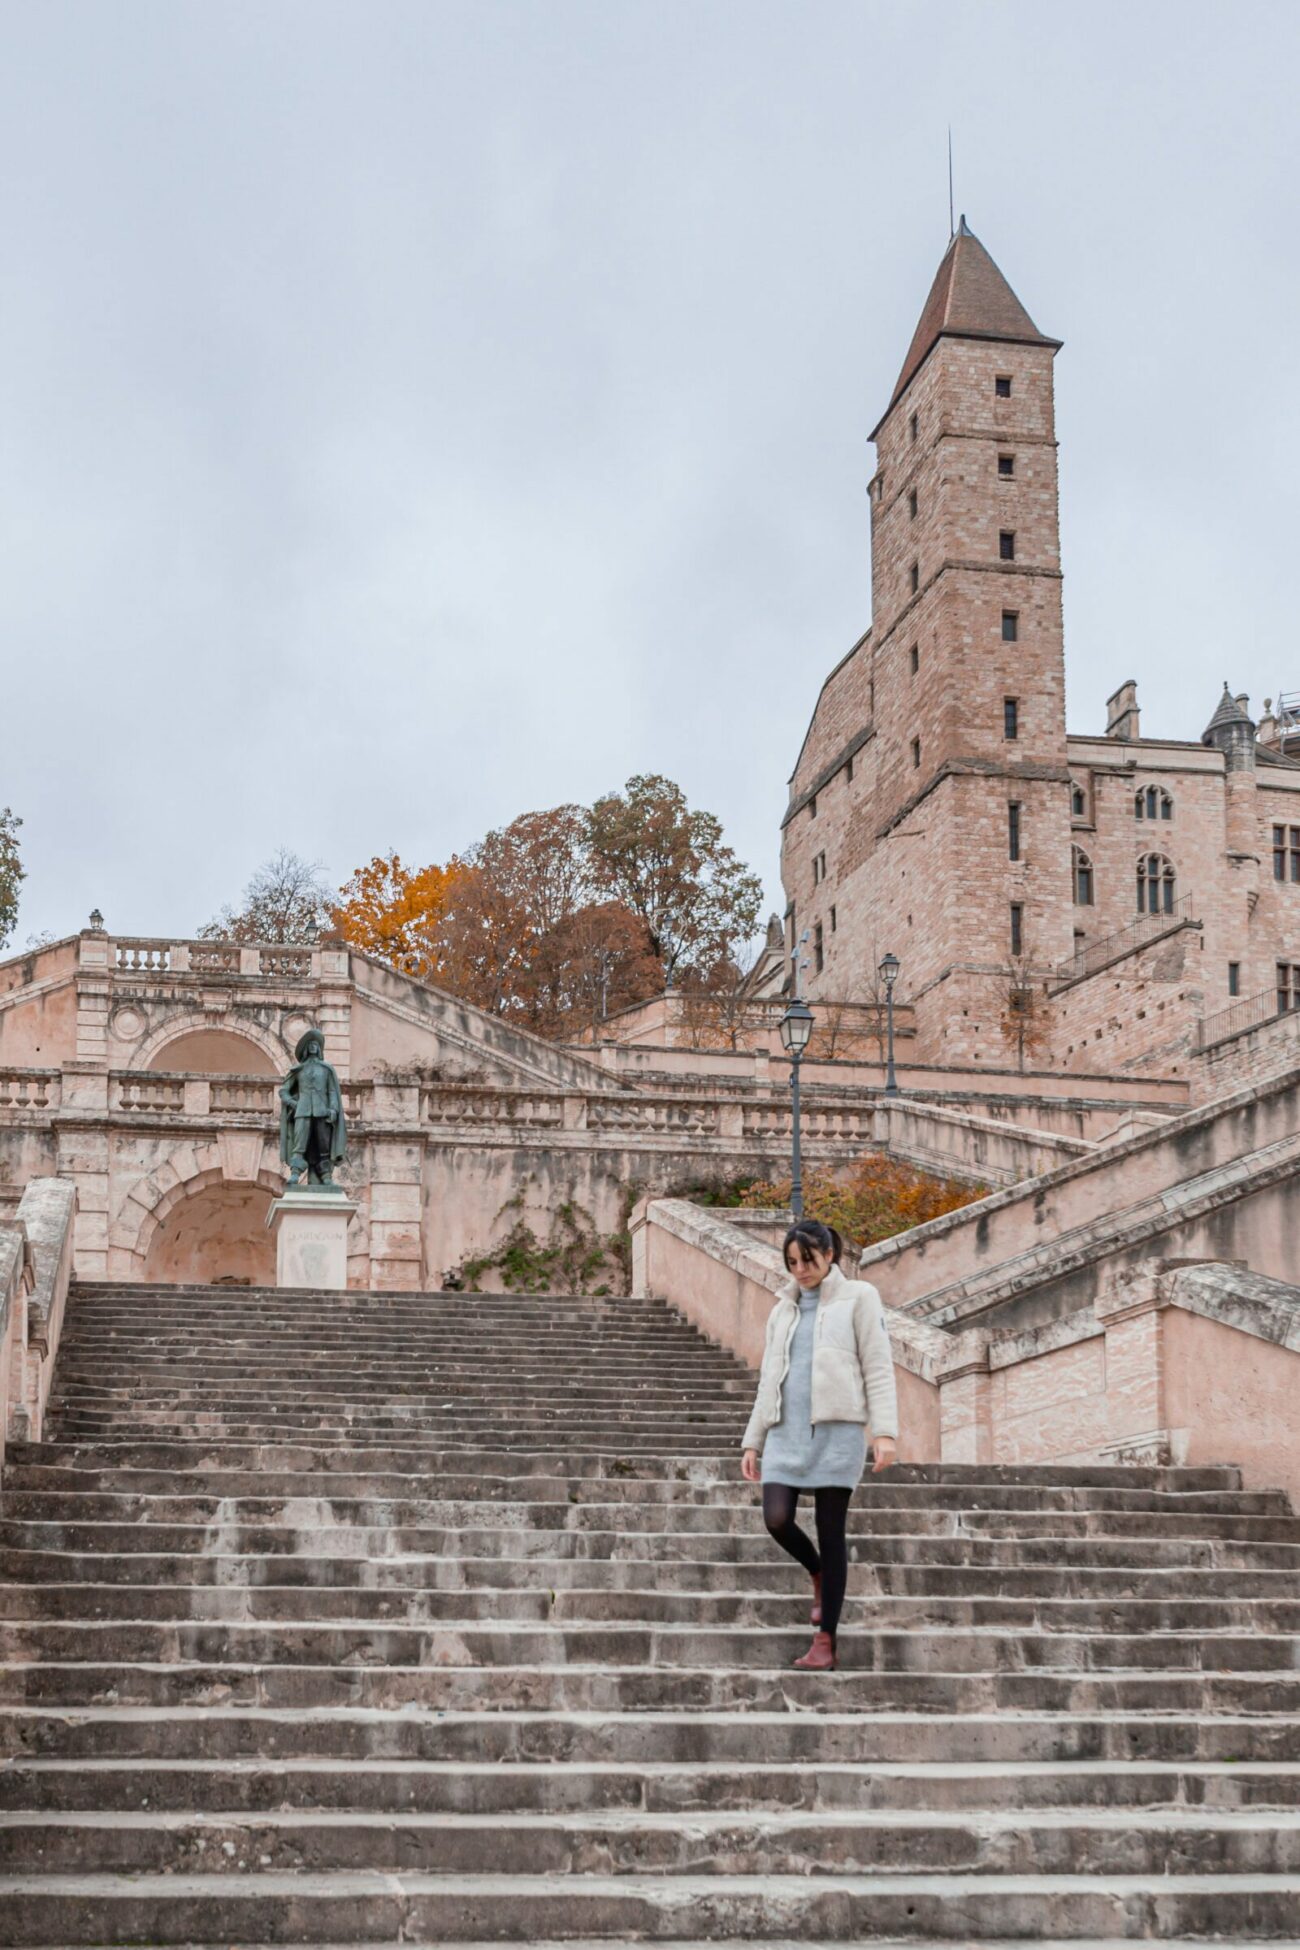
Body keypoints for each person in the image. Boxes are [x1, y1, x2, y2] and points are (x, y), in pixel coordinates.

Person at [741, 1218, 898, 1671]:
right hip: (785, 1434)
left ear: (830, 1255)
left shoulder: (859, 1298)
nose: (800, 1270)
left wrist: (884, 1432)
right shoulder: (782, 1309)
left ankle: (825, 1640)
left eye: (807, 1260)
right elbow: (769, 1380)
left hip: (837, 1434)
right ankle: (816, 1573)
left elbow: (878, 1365)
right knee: (776, 1519)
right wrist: (753, 1440)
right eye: (792, 1262)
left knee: (832, 1535)